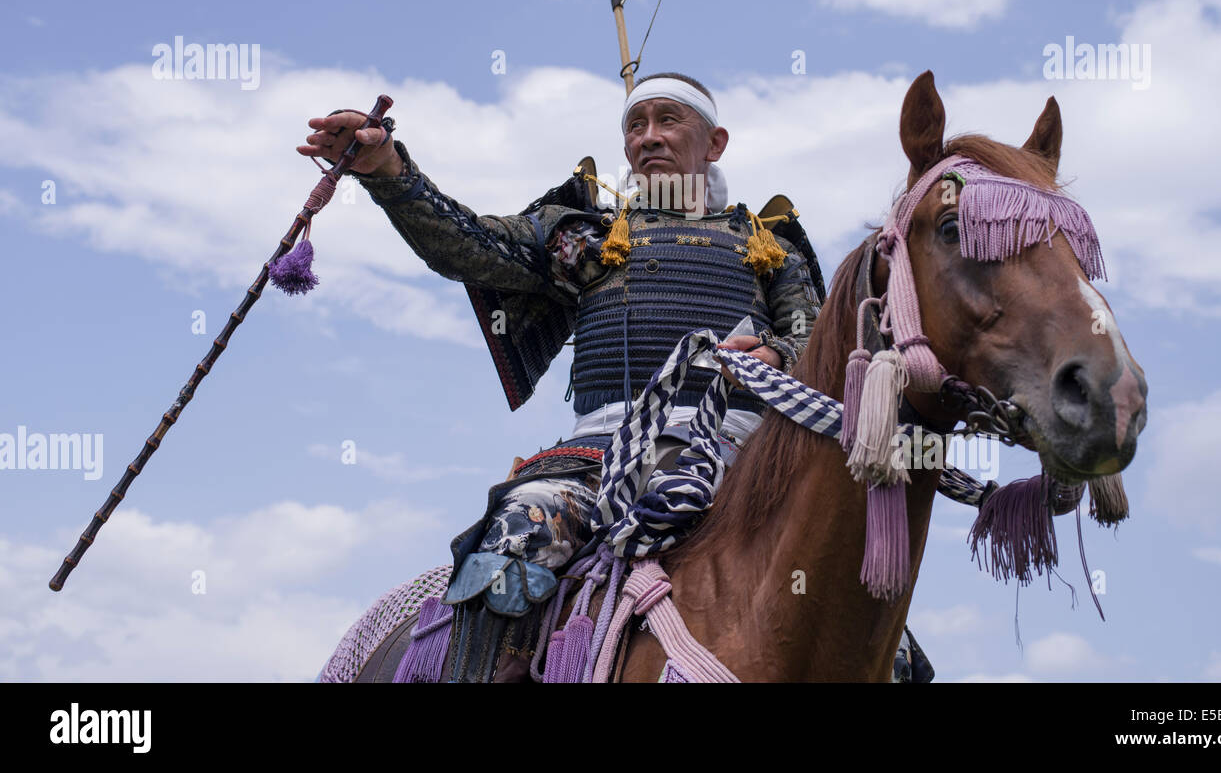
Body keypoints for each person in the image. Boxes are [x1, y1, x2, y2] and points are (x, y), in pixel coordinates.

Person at [299, 73, 827, 681]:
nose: (648, 137)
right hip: (595, 460)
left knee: (847, 565)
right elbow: (467, 243)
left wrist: (781, 359)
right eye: (636, 124)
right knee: (511, 540)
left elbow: (816, 346)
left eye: (668, 120)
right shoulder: (587, 237)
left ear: (715, 142)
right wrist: (388, 167)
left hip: (741, 458)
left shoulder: (770, 250)